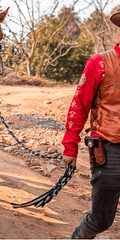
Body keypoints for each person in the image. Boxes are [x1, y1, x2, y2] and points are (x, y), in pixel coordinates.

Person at [62, 12, 120, 239]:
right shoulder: (99, 63)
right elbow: (79, 106)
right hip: (109, 147)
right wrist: (70, 147)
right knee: (101, 219)